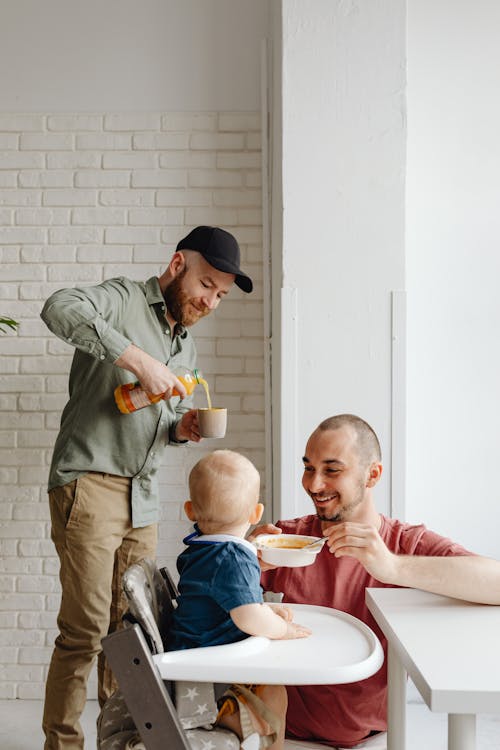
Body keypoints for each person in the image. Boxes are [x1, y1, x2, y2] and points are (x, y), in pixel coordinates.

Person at [40, 226, 253, 750]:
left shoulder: (188, 345)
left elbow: (164, 422)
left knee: (129, 633)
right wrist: (137, 358)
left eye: (221, 295)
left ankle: (119, 740)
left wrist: (184, 429)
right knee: (86, 629)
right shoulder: (122, 300)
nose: (210, 300)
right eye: (207, 283)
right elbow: (57, 306)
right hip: (90, 483)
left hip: (144, 496)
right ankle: (61, 744)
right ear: (178, 264)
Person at [256, 413, 500, 750]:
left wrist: (393, 567)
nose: (313, 485)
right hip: (285, 737)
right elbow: (202, 605)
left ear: (372, 475)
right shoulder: (286, 538)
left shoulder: (405, 543)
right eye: (309, 468)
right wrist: (239, 559)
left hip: (379, 739)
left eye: (332, 470)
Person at [170, 450, 311, 750]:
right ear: (255, 514)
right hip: (209, 681)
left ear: (189, 510)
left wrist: (263, 608)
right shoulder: (233, 558)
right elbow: (247, 618)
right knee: (275, 692)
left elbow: (221, 599)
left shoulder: (199, 549)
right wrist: (282, 630)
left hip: (194, 662)